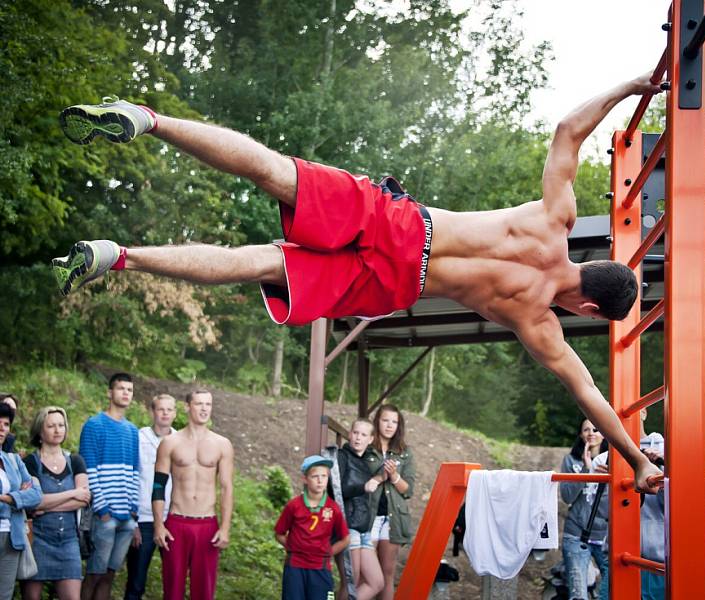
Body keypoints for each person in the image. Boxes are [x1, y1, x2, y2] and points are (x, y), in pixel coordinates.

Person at [53, 73, 666, 494]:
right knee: (265, 262)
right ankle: (119, 256)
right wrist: (637, 459)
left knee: (274, 170)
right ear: (589, 307)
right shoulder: (540, 323)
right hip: (394, 282)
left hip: (402, 222)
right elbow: (590, 395)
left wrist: (631, 86)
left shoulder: (554, 222)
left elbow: (568, 130)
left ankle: (149, 120)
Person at [152, 389, 234, 600]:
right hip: (177, 523)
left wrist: (225, 528)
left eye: (208, 404)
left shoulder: (222, 444)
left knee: (204, 591)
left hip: (207, 524)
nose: (204, 408)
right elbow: (158, 486)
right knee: (172, 590)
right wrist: (158, 525)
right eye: (199, 404)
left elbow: (226, 488)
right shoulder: (170, 443)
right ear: (187, 407)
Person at [79, 372, 140, 600]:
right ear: (110, 392)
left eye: (129, 390)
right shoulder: (94, 425)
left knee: (109, 576)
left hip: (127, 516)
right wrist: (103, 510)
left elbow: (135, 472)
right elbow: (88, 471)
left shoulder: (132, 430)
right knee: (94, 574)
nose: (126, 393)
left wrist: (133, 509)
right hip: (104, 516)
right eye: (121, 388)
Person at [21, 407, 90, 600]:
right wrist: (72, 493)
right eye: (51, 426)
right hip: (38, 540)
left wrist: (44, 503)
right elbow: (32, 502)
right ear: (40, 431)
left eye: (61, 425)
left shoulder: (75, 460)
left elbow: (83, 499)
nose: (57, 430)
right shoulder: (30, 462)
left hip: (69, 541)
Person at [124, 393, 177, 600]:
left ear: (175, 413)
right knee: (136, 582)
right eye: (160, 409)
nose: (165, 413)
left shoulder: (180, 440)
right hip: (143, 519)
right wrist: (132, 520)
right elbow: (128, 477)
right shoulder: (138, 437)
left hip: (172, 518)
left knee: (174, 581)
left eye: (169, 409)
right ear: (152, 412)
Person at [275, 455, 350, 600]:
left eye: (324, 476)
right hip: (295, 567)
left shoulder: (333, 508)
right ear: (305, 479)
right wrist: (294, 546)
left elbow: (345, 539)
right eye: (315, 476)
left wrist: (328, 552)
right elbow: (279, 533)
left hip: (320, 568)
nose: (320, 480)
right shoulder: (294, 506)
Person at [332, 419, 383, 600]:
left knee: (376, 582)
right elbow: (337, 489)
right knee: (350, 582)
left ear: (370, 439)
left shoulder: (365, 463)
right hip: (347, 528)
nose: (357, 438)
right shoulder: (341, 456)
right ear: (350, 434)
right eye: (355, 433)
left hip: (363, 530)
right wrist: (364, 486)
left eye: (363, 435)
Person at [368, 404, 415, 600]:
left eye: (394, 422)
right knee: (367, 574)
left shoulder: (405, 452)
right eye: (385, 420)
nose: (389, 425)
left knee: (387, 573)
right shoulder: (367, 447)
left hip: (392, 520)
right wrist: (380, 476)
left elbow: (408, 490)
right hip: (369, 517)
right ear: (377, 421)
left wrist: (394, 475)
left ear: (399, 426)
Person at [560, 418, 609, 600]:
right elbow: (566, 496)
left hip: (606, 537)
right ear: (581, 435)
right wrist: (586, 470)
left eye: (596, 429)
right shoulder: (571, 461)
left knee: (614, 589)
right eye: (586, 430)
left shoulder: (614, 461)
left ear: (604, 433)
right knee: (578, 594)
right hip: (577, 534)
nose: (591, 433)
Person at [0, 401, 42, 600]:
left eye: (6, 424)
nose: (2, 428)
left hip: (12, 537)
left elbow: (36, 495)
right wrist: (19, 495)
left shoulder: (14, 460)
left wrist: (10, 498)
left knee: (5, 595)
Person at [637, 409, 666, 600]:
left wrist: (663, 468)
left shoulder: (662, 449)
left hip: (655, 552)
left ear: (645, 413)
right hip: (621, 551)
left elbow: (674, 502)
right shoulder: (610, 451)